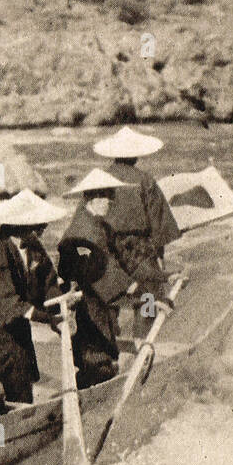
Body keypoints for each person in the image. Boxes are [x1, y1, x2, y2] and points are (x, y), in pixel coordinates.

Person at [57, 169, 172, 388]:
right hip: (89, 307)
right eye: (105, 197)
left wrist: (160, 276)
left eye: (109, 196)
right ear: (92, 199)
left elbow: (124, 262)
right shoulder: (82, 233)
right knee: (97, 363)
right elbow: (104, 274)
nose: (109, 202)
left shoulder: (101, 226)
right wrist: (141, 294)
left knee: (103, 357)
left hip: (102, 305)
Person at [0, 189, 67, 404]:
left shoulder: (33, 248)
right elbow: (9, 305)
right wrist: (46, 318)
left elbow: (47, 282)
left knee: (22, 398)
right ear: (20, 225)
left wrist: (58, 307)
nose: (44, 228)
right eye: (38, 224)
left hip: (20, 341)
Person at [91, 126, 181, 335]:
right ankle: (143, 339)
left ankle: (109, 344)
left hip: (106, 250)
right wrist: (158, 260)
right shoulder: (145, 180)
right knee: (148, 296)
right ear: (136, 155)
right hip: (138, 251)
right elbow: (159, 227)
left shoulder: (98, 180)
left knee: (109, 295)